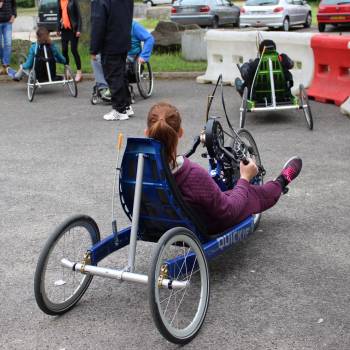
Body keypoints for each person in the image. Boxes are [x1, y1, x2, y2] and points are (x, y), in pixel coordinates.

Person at [145, 102, 303, 235]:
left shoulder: (138, 169)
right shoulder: (193, 176)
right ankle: (281, 182)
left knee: (222, 193)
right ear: (180, 133)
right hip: (204, 225)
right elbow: (229, 211)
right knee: (253, 193)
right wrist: (244, 179)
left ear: (147, 132)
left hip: (160, 221)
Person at [91, 20, 154, 107]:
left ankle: (115, 89)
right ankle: (103, 88)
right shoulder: (110, 25)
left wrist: (144, 56)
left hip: (131, 56)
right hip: (113, 53)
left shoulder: (134, 26)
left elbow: (149, 38)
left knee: (117, 61)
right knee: (96, 59)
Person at [90, 0, 133, 121]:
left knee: (113, 76)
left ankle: (119, 109)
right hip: (123, 40)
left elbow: (98, 24)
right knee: (121, 74)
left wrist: (94, 48)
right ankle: (126, 105)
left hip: (110, 42)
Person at [57, 0, 82, 82]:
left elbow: (79, 16)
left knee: (73, 50)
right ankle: (67, 70)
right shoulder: (60, 1)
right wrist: (58, 28)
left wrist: (79, 29)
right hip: (64, 29)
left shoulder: (73, 1)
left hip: (73, 30)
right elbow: (59, 15)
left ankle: (79, 72)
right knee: (64, 50)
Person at [0, 0, 16, 74]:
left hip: (8, 22)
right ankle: (4, 63)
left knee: (8, 44)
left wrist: (13, 15)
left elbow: (14, 5)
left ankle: (5, 65)